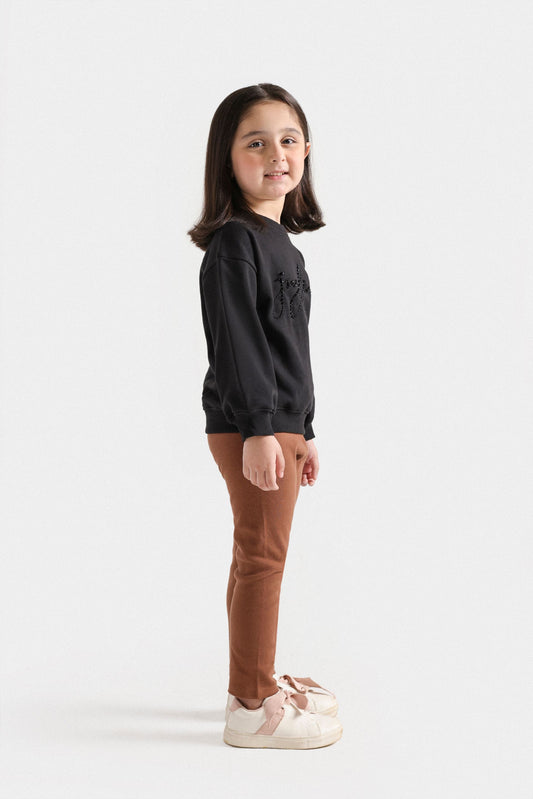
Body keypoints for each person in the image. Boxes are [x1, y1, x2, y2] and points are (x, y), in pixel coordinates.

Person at [188, 84, 342, 749]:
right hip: (252, 422)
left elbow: (289, 348)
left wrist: (303, 430)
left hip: (277, 422)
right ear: (227, 159)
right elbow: (239, 344)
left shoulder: (282, 246)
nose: (276, 153)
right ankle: (253, 707)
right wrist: (259, 427)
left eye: (288, 140)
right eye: (255, 142)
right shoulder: (234, 244)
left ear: (306, 151)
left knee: (254, 553)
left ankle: (248, 682)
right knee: (262, 558)